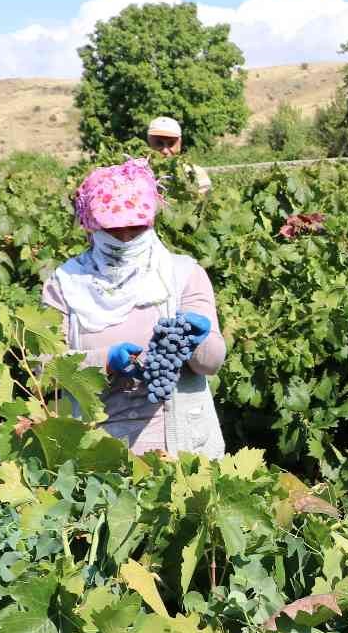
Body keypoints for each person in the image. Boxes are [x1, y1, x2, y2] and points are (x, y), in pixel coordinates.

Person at [41, 158, 227, 458]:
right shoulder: (65, 285)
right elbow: (42, 370)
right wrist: (104, 362)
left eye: (136, 228)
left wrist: (198, 341)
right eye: (114, 230)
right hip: (97, 454)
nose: (126, 239)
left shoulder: (182, 275)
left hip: (183, 452)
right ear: (91, 226)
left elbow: (211, 363)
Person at [147, 116, 212, 194]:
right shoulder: (137, 174)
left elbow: (204, 202)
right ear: (149, 143)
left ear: (179, 144)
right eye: (159, 143)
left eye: (171, 143)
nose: (165, 150)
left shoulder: (196, 174)